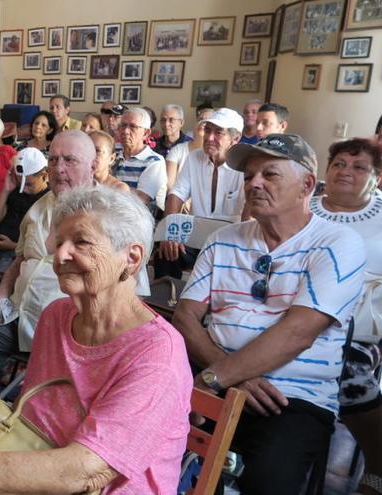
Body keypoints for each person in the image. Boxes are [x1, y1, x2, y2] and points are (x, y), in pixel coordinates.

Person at [0, 186, 192, 494]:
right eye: (59, 242)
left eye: (80, 242)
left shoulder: (157, 356)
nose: (60, 254)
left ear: (131, 257)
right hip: (33, 466)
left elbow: (85, 471)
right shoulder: (57, 315)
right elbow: (29, 421)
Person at [173, 134, 366, 495]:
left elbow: (297, 333)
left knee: (267, 481)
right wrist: (226, 377)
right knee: (160, 458)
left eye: (269, 174)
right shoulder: (223, 240)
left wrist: (215, 379)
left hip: (290, 398)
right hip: (216, 380)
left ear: (306, 184)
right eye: (248, 177)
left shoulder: (338, 243)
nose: (254, 184)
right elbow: (184, 317)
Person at [0, 130, 151, 368]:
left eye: (69, 160)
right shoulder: (37, 208)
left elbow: (134, 292)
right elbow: (22, 258)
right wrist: (2, 293)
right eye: (53, 160)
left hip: (70, 336)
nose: (58, 168)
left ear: (93, 165)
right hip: (16, 315)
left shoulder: (114, 216)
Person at [309, 138, 382, 495]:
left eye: (358, 167)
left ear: (377, 176)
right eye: (338, 164)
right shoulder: (302, 207)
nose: (345, 172)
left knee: (348, 368)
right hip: (296, 317)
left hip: (363, 326)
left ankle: (378, 459)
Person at [156, 108, 247, 280]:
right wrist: (171, 232)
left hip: (228, 242)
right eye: (208, 130)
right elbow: (176, 195)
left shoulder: (245, 167)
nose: (209, 137)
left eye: (218, 132)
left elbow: (249, 214)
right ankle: (167, 303)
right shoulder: (194, 158)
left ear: (235, 139)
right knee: (165, 252)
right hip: (195, 237)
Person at [0, 147, 50, 282]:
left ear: (45, 176)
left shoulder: (48, 200)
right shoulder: (16, 189)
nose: (24, 189)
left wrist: (13, 246)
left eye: (29, 184)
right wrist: (6, 190)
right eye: (20, 183)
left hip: (18, 252)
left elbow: (40, 247)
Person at [112, 108, 167, 208]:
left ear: (145, 133)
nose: (125, 131)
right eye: (123, 125)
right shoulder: (112, 152)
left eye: (133, 126)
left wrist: (107, 186)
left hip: (136, 219)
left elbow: (141, 199)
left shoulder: (154, 161)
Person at [166, 107, 214, 191]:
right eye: (200, 119)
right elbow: (170, 184)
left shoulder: (215, 154)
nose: (202, 123)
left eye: (208, 121)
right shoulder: (178, 150)